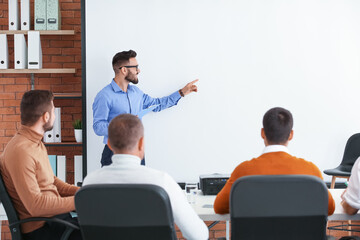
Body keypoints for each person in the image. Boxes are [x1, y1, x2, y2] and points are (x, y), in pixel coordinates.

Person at [83, 114, 209, 240]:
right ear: (141, 143)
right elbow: (199, 235)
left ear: (109, 144)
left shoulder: (90, 182)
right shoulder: (162, 182)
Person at [214, 107, 335, 215]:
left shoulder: (243, 171)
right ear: (291, 135)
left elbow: (219, 207)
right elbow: (330, 208)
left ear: (262, 133)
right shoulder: (310, 171)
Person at [93, 50, 198, 167]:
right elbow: (98, 127)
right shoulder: (104, 95)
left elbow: (157, 104)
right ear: (124, 70)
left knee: (140, 185)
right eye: (135, 67)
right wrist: (123, 127)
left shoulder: (136, 93)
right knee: (114, 186)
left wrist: (181, 93)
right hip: (113, 153)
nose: (138, 71)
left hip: (136, 152)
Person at [0, 90, 81, 240]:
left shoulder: (35, 143)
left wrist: (82, 193)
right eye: (53, 111)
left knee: (100, 225)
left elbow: (53, 182)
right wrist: (79, 201)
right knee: (101, 232)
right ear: (46, 116)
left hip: (56, 220)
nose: (55, 116)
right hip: (43, 229)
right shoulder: (21, 151)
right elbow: (35, 206)